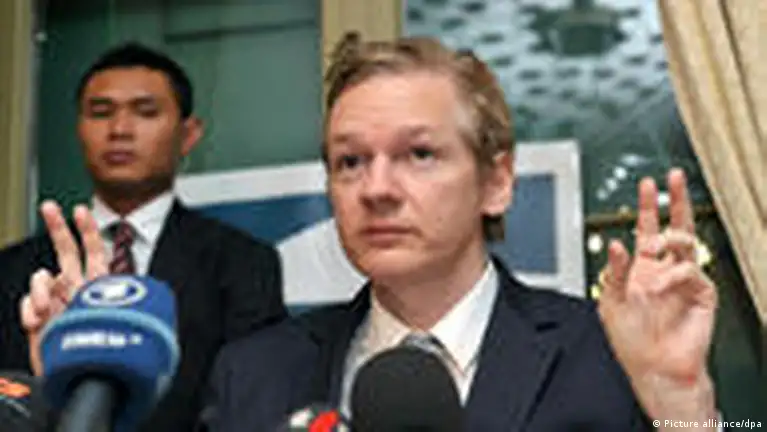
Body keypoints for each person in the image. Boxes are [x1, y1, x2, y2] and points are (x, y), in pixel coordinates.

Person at [197, 33, 723, 431]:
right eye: (350, 161)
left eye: (419, 154)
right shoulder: (255, 377)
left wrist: (682, 406)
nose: (376, 189)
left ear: (496, 182)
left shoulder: (608, 352)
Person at [3, 43, 287, 431]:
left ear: (188, 134)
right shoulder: (12, 270)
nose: (119, 130)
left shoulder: (244, 264)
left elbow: (254, 404)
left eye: (146, 112)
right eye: (100, 113)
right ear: (79, 129)